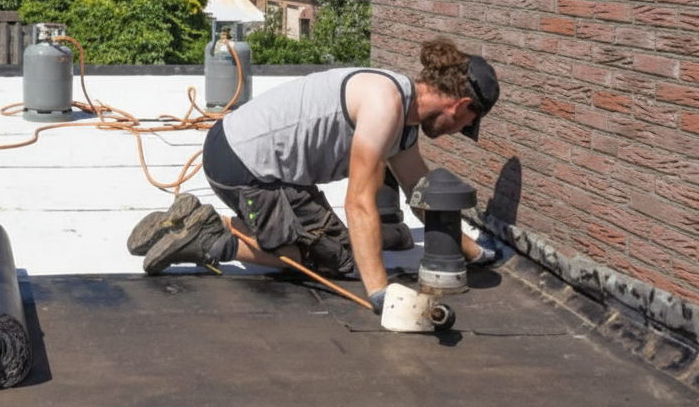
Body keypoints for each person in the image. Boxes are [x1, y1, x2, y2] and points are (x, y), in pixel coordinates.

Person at [128, 38, 502, 313]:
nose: (458, 131)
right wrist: (379, 294)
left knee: (350, 245)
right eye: (466, 124)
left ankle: (199, 223)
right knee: (332, 259)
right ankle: (208, 237)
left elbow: (424, 197)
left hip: (260, 162)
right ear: (462, 105)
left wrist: (474, 252)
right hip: (244, 166)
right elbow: (358, 201)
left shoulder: (403, 117)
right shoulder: (384, 105)